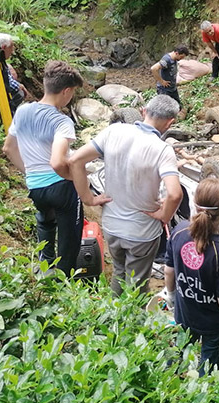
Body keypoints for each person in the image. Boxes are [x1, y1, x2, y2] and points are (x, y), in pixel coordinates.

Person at [68, 95, 183, 295]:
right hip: (142, 232)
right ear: (170, 122)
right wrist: (164, 215)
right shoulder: (162, 150)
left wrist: (89, 198)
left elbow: (76, 160)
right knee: (136, 286)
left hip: (112, 226)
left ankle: (113, 319)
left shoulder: (113, 131)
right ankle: (130, 323)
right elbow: (174, 194)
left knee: (119, 273)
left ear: (144, 111)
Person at [2, 61, 83, 276]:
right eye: (72, 92)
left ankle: (43, 273)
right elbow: (57, 162)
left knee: (45, 224)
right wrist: (74, 178)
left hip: (35, 187)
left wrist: (30, 172)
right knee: (69, 240)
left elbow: (8, 148)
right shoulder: (61, 121)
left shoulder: (22, 111)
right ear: (66, 91)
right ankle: (65, 283)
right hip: (61, 189)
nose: (71, 97)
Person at [164, 178, 219, 375]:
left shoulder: (179, 231)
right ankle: (203, 400)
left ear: (194, 204)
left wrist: (171, 295)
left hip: (184, 314)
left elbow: (169, 270)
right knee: (208, 372)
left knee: (177, 356)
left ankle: (166, 393)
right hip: (213, 325)